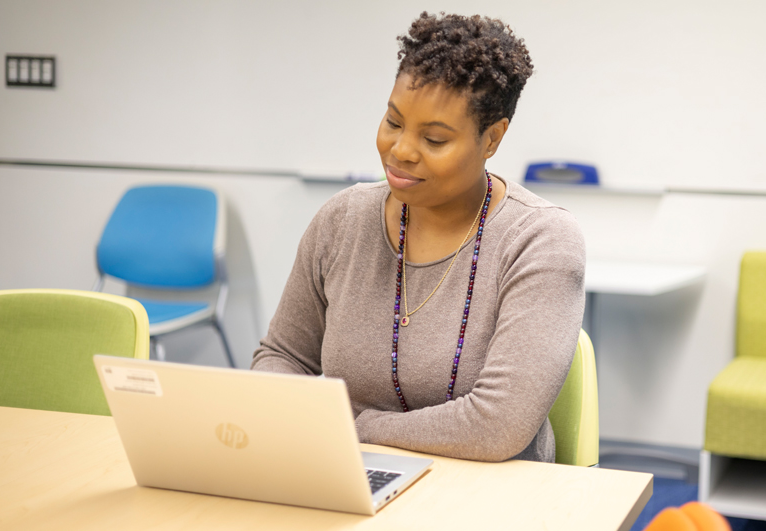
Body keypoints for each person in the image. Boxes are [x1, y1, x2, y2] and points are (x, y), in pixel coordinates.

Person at [251, 12, 585, 463]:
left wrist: (354, 428)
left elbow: (498, 426)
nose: (401, 150)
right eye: (393, 122)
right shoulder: (342, 220)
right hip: (347, 471)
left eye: (434, 139)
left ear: (492, 138)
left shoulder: (540, 241)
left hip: (489, 493)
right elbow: (283, 356)